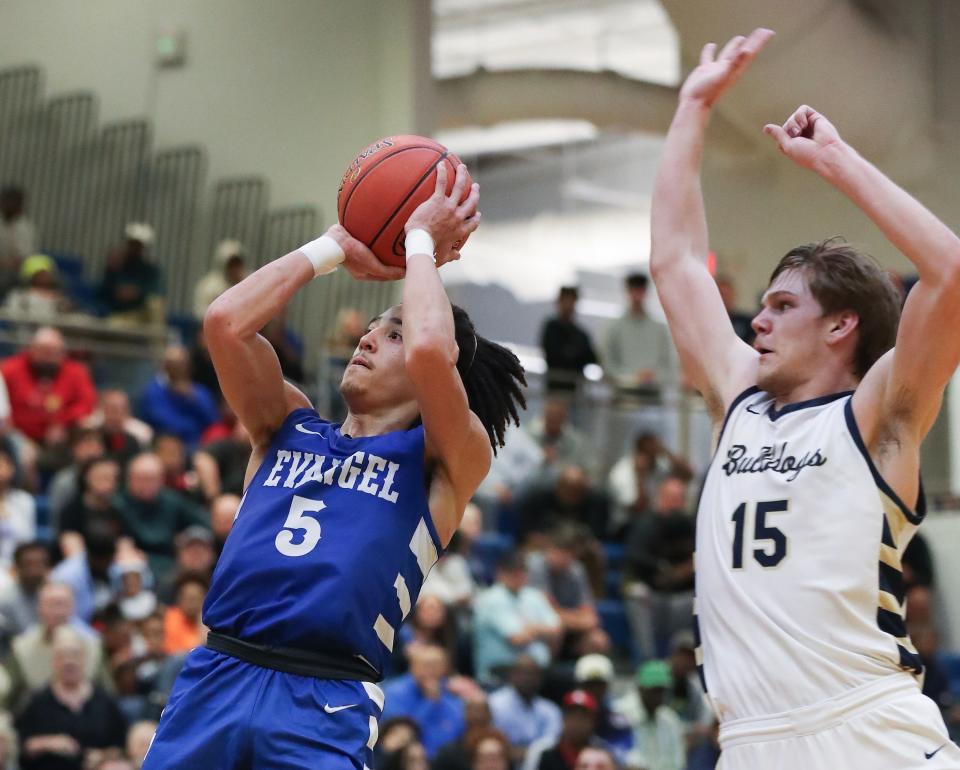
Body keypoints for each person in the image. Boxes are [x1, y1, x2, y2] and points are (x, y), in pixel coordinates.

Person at [141, 162, 526, 770]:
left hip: (325, 697)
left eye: (391, 333)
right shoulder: (284, 426)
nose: (367, 340)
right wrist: (332, 248)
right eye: (371, 328)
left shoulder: (445, 459)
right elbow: (224, 324)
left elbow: (431, 350)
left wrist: (420, 241)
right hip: (217, 672)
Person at [651, 26, 960, 767]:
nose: (756, 320)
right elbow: (676, 261)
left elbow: (949, 273)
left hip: (865, 726)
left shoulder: (878, 415)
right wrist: (692, 108)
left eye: (782, 306)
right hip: (750, 740)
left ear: (841, 325)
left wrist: (838, 162)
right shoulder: (740, 401)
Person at [15, 626, 127, 770]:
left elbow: (121, 745)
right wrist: (49, 743)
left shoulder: (104, 701)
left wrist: (102, 756)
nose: (69, 661)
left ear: (84, 659)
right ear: (54, 661)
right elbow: (22, 746)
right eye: (62, 656)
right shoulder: (37, 701)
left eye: (74, 655)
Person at [473, 551, 561, 684]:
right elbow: (518, 638)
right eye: (513, 572)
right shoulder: (490, 599)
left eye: (522, 571)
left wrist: (533, 629)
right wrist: (541, 630)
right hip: (499, 671)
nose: (518, 576)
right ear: (501, 573)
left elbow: (557, 629)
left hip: (537, 669)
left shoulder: (534, 595)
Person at [1, 326, 97, 447]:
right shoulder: (10, 370)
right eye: (44, 351)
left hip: (63, 435)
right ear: (32, 349)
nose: (48, 358)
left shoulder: (75, 372)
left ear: (62, 353)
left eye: (53, 352)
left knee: (87, 430)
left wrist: (63, 422)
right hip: (16, 434)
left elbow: (86, 403)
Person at [381, 644, 466, 759]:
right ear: (412, 667)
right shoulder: (394, 693)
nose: (431, 671)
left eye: (436, 665)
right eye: (426, 665)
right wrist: (429, 702)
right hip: (404, 761)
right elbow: (402, 733)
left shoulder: (452, 696)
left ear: (445, 668)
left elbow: (457, 732)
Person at [601, 273, 674, 397]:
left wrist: (652, 376)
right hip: (622, 394)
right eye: (634, 290)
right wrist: (633, 377)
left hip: (652, 395)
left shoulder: (659, 329)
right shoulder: (614, 328)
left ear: (645, 292)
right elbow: (608, 364)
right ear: (628, 291)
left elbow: (667, 364)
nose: (637, 295)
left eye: (640, 290)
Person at [138, 346, 219, 451]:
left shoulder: (200, 392)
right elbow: (159, 421)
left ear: (189, 366)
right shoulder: (153, 391)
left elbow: (213, 421)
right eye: (172, 364)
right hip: (164, 446)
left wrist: (192, 399)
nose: (177, 368)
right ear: (164, 365)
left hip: (199, 446)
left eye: (181, 363)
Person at [488, 654, 562, 761]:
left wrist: (523, 753)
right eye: (522, 673)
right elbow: (495, 746)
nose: (527, 678)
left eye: (532, 673)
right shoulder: (494, 704)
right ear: (511, 675)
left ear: (540, 677)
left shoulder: (550, 710)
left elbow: (551, 747)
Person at [613, 661, 685, 770]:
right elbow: (618, 753)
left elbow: (678, 761)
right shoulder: (620, 713)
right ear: (640, 688)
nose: (658, 696)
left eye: (661, 691)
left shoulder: (670, 719)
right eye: (654, 691)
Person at [99, 223, 163, 324]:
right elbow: (105, 292)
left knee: (156, 304)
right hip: (121, 314)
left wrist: (137, 292)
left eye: (139, 245)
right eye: (133, 244)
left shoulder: (150, 270)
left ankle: (157, 338)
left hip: (141, 314)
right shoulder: (116, 266)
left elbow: (155, 292)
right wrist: (113, 272)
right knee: (113, 324)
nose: (135, 248)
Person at [540, 286, 598, 394]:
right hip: (555, 390)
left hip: (575, 391)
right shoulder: (552, 328)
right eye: (565, 300)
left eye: (571, 301)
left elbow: (592, 358)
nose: (568, 305)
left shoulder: (581, 334)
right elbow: (554, 356)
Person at [192, 239, 246, 320]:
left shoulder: (248, 284)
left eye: (237, 264)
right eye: (231, 265)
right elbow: (200, 313)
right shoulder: (209, 287)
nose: (235, 269)